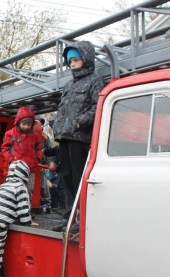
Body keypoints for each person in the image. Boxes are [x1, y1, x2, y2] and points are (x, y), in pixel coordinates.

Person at [51, 41, 104, 232]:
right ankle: (69, 218)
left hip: (80, 137)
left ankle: (81, 220)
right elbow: (62, 108)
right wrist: (56, 123)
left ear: (85, 59)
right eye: (69, 61)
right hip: (65, 136)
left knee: (78, 179)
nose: (72, 64)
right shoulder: (69, 84)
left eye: (75, 60)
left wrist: (81, 121)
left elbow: (97, 105)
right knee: (66, 178)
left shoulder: (94, 80)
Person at [0, 107, 42, 195]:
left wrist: (37, 159)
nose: (26, 127)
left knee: (29, 190)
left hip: (30, 169)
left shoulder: (34, 135)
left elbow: (38, 148)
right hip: (16, 168)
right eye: (24, 124)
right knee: (14, 191)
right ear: (18, 122)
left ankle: (27, 208)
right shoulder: (10, 133)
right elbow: (5, 148)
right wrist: (11, 160)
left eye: (29, 124)